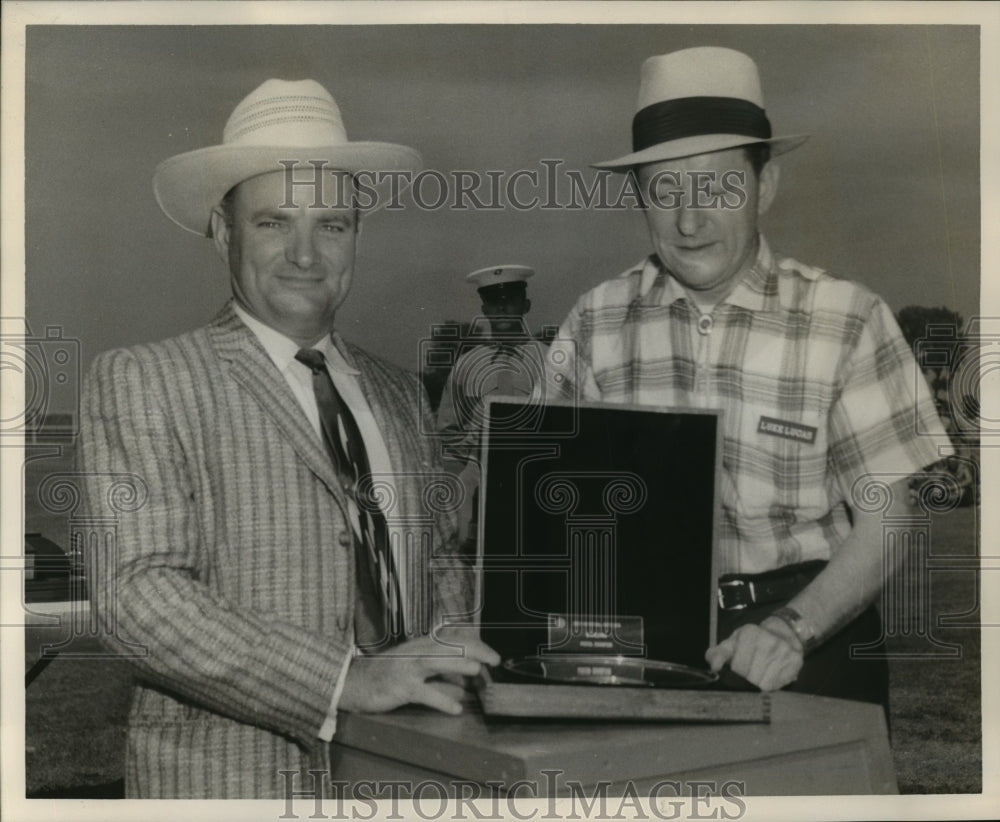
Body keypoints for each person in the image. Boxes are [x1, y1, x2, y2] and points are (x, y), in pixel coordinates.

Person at [79, 79, 498, 799]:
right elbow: (137, 597)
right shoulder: (143, 379)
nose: (305, 254)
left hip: (411, 780)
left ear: (357, 235)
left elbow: (435, 561)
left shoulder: (401, 394)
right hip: (229, 787)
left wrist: (464, 638)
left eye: (331, 224)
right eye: (274, 222)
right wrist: (344, 681)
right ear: (223, 229)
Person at [547, 47, 952, 709]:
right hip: (642, 642)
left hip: (810, 640)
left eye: (717, 187)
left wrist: (792, 628)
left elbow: (888, 523)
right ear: (638, 196)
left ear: (764, 187)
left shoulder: (847, 318)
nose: (689, 218)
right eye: (666, 189)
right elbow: (550, 513)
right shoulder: (593, 323)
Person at [435, 265, 548, 545]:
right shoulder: (466, 366)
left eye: (510, 300)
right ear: (484, 309)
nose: (502, 308)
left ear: (526, 305)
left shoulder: (552, 362)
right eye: (494, 302)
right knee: (472, 558)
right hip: (478, 480)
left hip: (536, 478)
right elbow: (447, 433)